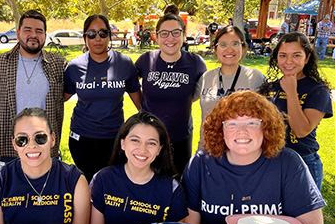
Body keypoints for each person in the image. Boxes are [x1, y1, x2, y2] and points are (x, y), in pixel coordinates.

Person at [182, 91, 325, 224]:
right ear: (220, 130)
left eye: (252, 123)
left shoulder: (288, 163)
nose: (242, 131)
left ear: (266, 128)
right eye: (232, 124)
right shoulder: (200, 163)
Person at [0, 108, 90, 224]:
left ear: (53, 139)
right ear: (14, 144)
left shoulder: (75, 180)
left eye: (40, 138)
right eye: (22, 139)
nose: (31, 145)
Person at [64, 14, 141, 182]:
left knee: (110, 184)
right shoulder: (75, 67)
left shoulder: (124, 63)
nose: (97, 38)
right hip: (82, 138)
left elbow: (140, 104)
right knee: (86, 183)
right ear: (85, 37)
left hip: (113, 138)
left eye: (102, 33)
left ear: (109, 36)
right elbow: (59, 97)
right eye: (91, 34)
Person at [0, 10, 67, 169]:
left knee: (45, 193)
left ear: (45, 35)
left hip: (44, 147)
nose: (33, 35)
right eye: (28, 30)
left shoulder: (59, 65)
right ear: (18, 33)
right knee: (8, 193)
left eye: (39, 31)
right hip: (8, 148)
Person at [89, 112, 188, 224]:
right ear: (123, 143)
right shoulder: (103, 179)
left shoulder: (173, 191)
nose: (142, 149)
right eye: (135, 140)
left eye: (151, 143)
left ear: (159, 149)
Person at [135, 12, 207, 177]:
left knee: (178, 182)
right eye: (164, 33)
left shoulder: (195, 63)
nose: (170, 38)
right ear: (157, 37)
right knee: (147, 179)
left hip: (180, 136)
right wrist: (142, 106)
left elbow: (200, 92)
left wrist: (181, 100)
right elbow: (130, 84)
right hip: (148, 136)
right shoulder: (146, 60)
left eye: (176, 32)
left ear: (183, 35)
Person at [261, 32, 332, 191]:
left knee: (302, 215)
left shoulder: (318, 91)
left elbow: (301, 130)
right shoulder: (269, 88)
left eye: (296, 55)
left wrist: (291, 92)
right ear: (276, 58)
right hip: (271, 161)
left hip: (303, 162)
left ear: (307, 58)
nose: (288, 61)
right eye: (283, 55)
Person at [196, 26, 266, 147]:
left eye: (235, 44)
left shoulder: (256, 78)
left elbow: (268, 118)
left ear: (243, 48)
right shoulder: (206, 78)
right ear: (215, 49)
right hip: (208, 150)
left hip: (241, 151)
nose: (229, 50)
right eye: (223, 44)